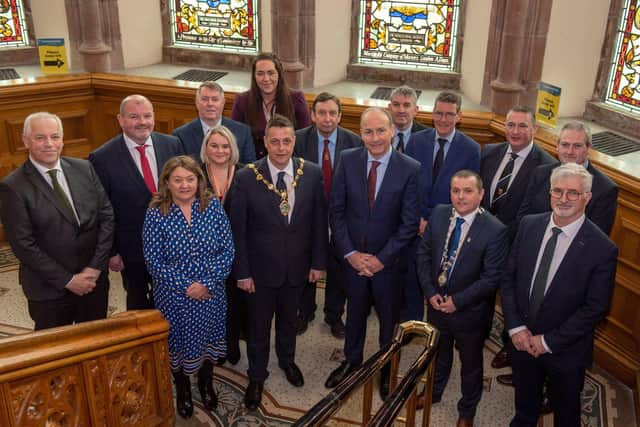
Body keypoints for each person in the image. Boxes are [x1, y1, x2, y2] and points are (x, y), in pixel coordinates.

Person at [501, 163, 617, 427]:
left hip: (565, 351)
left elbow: (595, 308)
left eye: (573, 193)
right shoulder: (529, 225)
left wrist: (548, 341)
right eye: (557, 191)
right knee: (525, 405)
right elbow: (508, 279)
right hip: (521, 341)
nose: (563, 199)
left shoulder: (602, 248)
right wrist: (516, 327)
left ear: (587, 197)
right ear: (549, 193)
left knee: (566, 413)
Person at [229, 114, 327, 411]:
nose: (281, 147)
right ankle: (257, 375)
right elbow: (239, 230)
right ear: (265, 142)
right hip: (259, 272)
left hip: (297, 268)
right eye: (275, 141)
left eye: (287, 141)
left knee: (289, 321)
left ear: (294, 142)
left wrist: (318, 262)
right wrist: (242, 272)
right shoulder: (246, 176)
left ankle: (287, 360)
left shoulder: (310, 173)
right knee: (258, 327)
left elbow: (318, 224)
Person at [325, 107, 420, 400]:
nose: (375, 137)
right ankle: (352, 361)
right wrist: (351, 254)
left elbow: (408, 225)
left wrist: (380, 259)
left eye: (381, 130)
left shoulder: (410, 168)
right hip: (353, 261)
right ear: (361, 133)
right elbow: (336, 212)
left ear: (392, 130)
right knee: (354, 313)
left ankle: (386, 368)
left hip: (388, 265)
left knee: (389, 321)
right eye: (368, 131)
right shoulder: (348, 160)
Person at [0, 112, 114, 330]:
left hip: (93, 283)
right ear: (25, 141)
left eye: (54, 136)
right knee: (57, 354)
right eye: (40, 138)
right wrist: (69, 280)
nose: (49, 144)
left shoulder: (84, 168)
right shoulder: (13, 187)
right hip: (49, 291)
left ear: (63, 139)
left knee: (95, 346)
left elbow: (106, 217)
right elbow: (23, 245)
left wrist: (95, 268)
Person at [143, 155, 234, 419]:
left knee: (208, 341)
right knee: (179, 346)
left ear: (199, 180)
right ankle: (182, 389)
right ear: (167, 182)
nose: (184, 185)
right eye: (178, 180)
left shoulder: (213, 207)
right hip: (174, 298)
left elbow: (227, 251)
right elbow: (154, 261)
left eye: (190, 179)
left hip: (211, 294)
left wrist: (205, 284)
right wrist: (187, 287)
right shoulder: (156, 212)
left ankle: (206, 384)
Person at [416, 170, 508, 426]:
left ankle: (467, 410)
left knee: (471, 365)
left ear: (481, 194)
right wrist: (430, 291)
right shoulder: (438, 213)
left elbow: (491, 279)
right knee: (438, 353)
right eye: (456, 190)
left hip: (470, 313)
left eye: (468, 191)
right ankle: (434, 392)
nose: (461, 196)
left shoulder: (495, 230)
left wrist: (457, 301)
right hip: (435, 305)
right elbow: (423, 255)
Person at [89, 94, 184, 310]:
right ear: (120, 120)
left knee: (174, 300)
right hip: (132, 250)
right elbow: (102, 210)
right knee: (138, 303)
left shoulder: (172, 144)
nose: (142, 122)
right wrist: (112, 252)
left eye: (147, 116)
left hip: (174, 245)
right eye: (134, 116)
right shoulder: (102, 157)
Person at [480, 105, 555, 373]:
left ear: (534, 129)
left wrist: (500, 236)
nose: (515, 131)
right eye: (511, 125)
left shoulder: (547, 166)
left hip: (517, 244)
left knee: (513, 297)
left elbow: (535, 212)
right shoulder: (489, 152)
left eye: (523, 126)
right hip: (482, 239)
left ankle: (509, 346)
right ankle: (479, 331)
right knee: (483, 288)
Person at [404, 91, 480, 323]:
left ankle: (435, 328)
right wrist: (416, 220)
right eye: (439, 113)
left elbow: (468, 195)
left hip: (447, 229)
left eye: (449, 114)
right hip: (415, 225)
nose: (443, 119)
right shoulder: (416, 141)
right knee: (413, 278)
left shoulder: (471, 148)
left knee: (439, 280)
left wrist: (434, 224)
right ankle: (413, 324)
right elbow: (407, 184)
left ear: (459, 116)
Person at [293, 91, 363, 338]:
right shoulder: (298, 140)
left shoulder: (354, 142)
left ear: (340, 116)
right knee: (305, 265)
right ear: (312, 115)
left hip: (341, 217)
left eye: (332, 113)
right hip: (307, 215)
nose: (327, 118)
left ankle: (334, 315)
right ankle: (305, 311)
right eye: (321, 112)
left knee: (338, 268)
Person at [517, 121, 618, 235]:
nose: (569, 152)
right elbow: (523, 219)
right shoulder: (540, 174)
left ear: (588, 148)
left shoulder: (605, 189)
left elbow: (596, 238)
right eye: (565, 145)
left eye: (577, 146)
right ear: (557, 146)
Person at [200, 124, 246, 365]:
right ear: (206, 148)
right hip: (205, 254)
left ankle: (232, 342)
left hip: (238, 250)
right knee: (210, 302)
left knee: (234, 301)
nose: (220, 150)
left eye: (225, 146)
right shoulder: (195, 174)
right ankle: (210, 345)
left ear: (233, 148)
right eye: (214, 145)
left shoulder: (244, 173)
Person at [231, 52, 312, 159]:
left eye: (271, 73)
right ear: (254, 76)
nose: (266, 79)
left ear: (279, 74)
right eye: (260, 73)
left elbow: (305, 139)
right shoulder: (242, 101)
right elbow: (236, 140)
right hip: (254, 166)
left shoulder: (296, 99)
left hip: (290, 163)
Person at [173, 81, 256, 164]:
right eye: (205, 99)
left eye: (215, 99)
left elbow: (250, 169)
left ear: (223, 103)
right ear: (196, 103)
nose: (210, 104)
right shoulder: (181, 136)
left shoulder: (243, 132)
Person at [388, 85, 428, 154]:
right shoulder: (379, 131)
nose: (401, 110)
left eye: (406, 105)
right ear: (389, 108)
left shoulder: (428, 137)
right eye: (396, 104)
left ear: (415, 110)